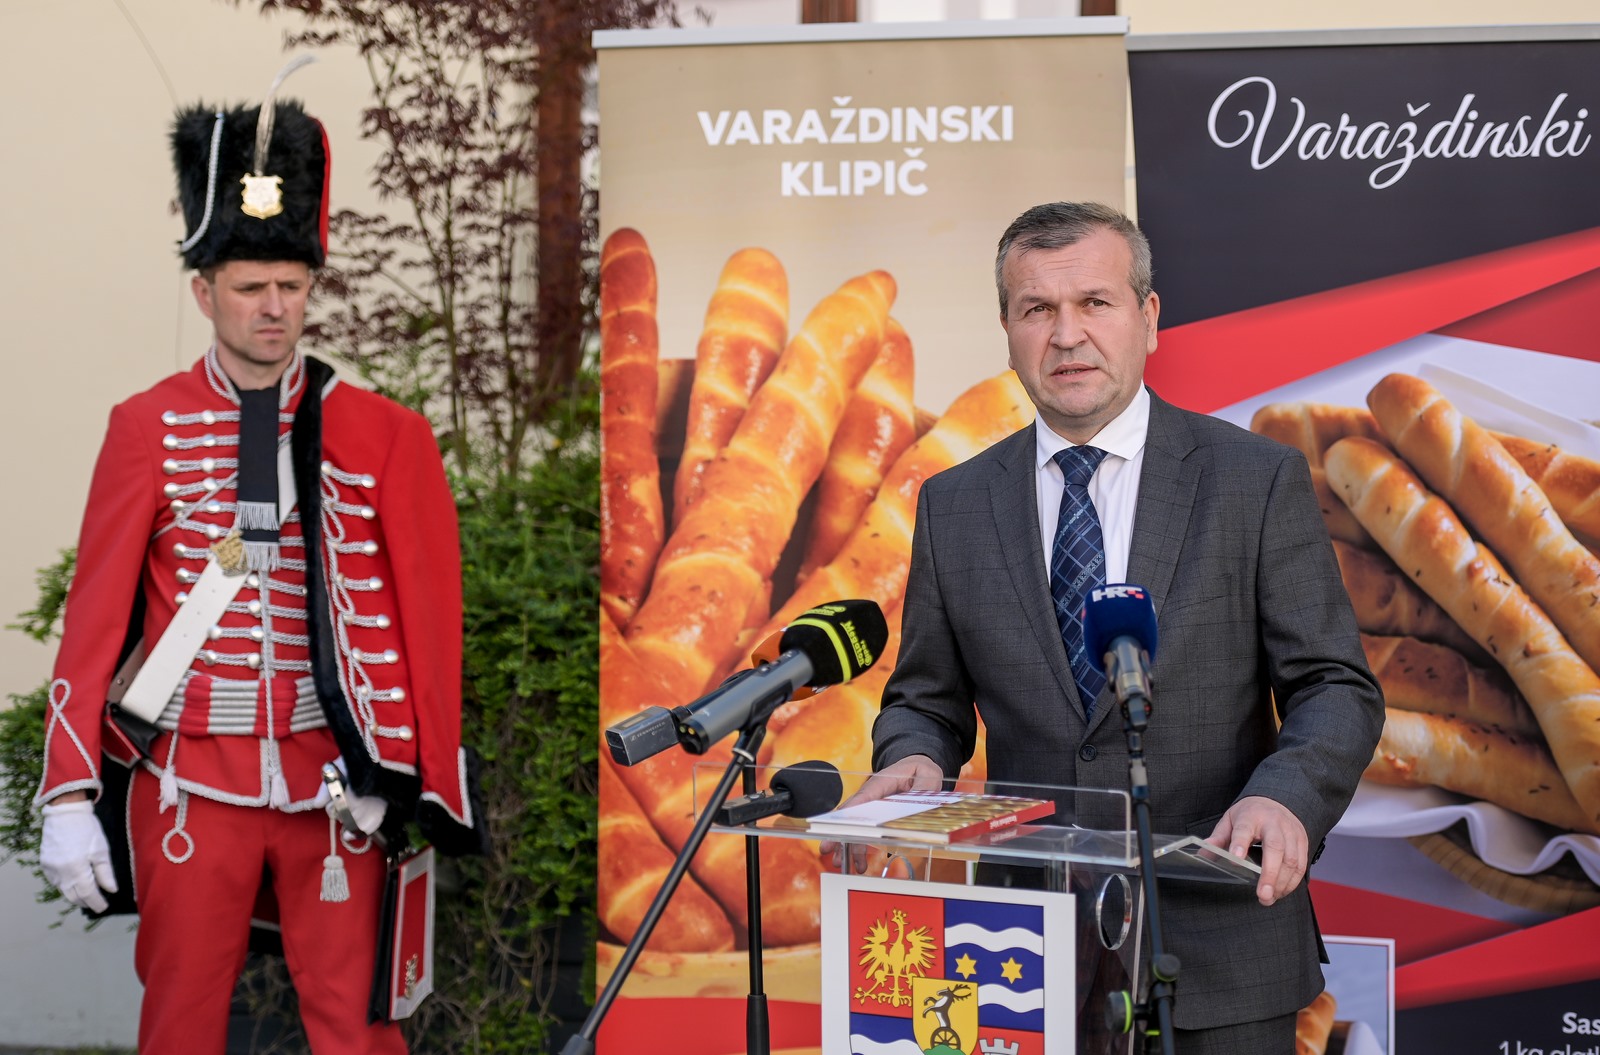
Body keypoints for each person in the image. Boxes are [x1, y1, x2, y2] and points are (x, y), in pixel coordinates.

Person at [854, 201, 1384, 1054]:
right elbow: (927, 699)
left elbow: (1335, 685)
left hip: (1221, 941)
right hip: (1022, 951)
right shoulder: (954, 504)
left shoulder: (1253, 480)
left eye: (1094, 303)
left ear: (1149, 317)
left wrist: (1286, 795)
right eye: (1037, 309)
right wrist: (914, 755)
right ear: (1008, 331)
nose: (1067, 335)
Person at [33, 85, 484, 1053]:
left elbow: (427, 621)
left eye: (290, 283)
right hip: (190, 781)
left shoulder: (386, 435)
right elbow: (95, 617)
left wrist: (404, 771)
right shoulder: (143, 426)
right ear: (204, 292)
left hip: (336, 785)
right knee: (180, 1021)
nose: (274, 306)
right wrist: (67, 791)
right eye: (249, 286)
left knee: (360, 1027)